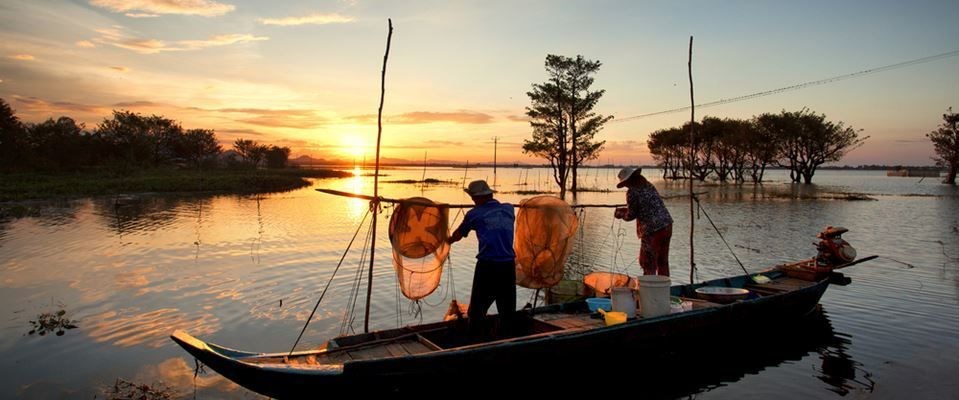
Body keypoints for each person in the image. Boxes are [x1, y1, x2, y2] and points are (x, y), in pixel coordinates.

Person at [447, 179, 516, 338]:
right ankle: (507, 340)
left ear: (477, 198)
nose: (472, 201)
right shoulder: (509, 209)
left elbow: (457, 235)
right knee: (507, 310)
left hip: (488, 266)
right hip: (508, 266)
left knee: (477, 311)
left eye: (473, 198)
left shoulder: (474, 214)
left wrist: (447, 242)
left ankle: (475, 342)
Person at [613, 167, 673, 276]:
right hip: (666, 225)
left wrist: (621, 215)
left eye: (625, 183)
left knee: (647, 262)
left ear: (628, 180)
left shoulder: (632, 192)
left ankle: (649, 289)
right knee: (662, 261)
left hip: (651, 230)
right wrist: (625, 210)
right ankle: (663, 289)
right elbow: (645, 207)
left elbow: (631, 215)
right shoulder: (648, 185)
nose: (626, 186)